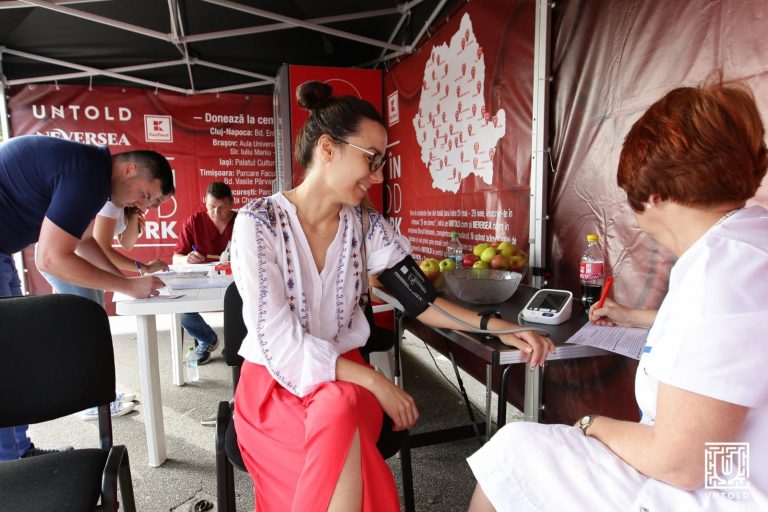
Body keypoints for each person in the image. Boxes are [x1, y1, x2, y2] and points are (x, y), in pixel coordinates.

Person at [230, 81, 555, 512]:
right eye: (372, 159)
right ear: (327, 149)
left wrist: (498, 327)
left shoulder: (366, 228)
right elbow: (278, 343)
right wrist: (373, 380)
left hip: (349, 390)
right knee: (340, 405)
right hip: (275, 390)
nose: (379, 175)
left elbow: (421, 299)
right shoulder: (260, 223)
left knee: (340, 405)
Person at [466, 74, 768, 511]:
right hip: (734, 472)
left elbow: (680, 462)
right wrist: (632, 316)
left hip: (722, 492)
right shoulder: (746, 243)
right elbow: (730, 338)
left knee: (513, 451)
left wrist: (592, 424)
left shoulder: (718, 273)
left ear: (655, 193)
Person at [0, 135, 172, 461]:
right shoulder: (89, 173)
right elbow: (50, 258)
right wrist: (128, 286)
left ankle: (18, 452)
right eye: (144, 194)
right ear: (129, 169)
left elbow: (82, 242)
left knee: (8, 355)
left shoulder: (90, 172)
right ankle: (11, 466)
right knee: (5, 356)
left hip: (3, 249)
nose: (141, 203)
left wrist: (124, 281)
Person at [41, 195, 175, 420]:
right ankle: (90, 401)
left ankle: (100, 396)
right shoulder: (109, 203)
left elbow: (126, 243)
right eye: (156, 197)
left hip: (81, 258)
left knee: (93, 325)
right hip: (67, 258)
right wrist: (133, 276)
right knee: (86, 328)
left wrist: (135, 214)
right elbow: (99, 245)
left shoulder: (127, 207)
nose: (156, 205)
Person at [173, 181, 236, 364]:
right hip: (203, 280)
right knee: (182, 310)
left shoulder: (242, 221)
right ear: (205, 202)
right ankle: (206, 339)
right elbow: (175, 257)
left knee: (245, 305)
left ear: (232, 203)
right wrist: (186, 259)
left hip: (234, 279)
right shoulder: (194, 222)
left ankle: (234, 343)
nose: (216, 213)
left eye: (222, 208)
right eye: (211, 207)